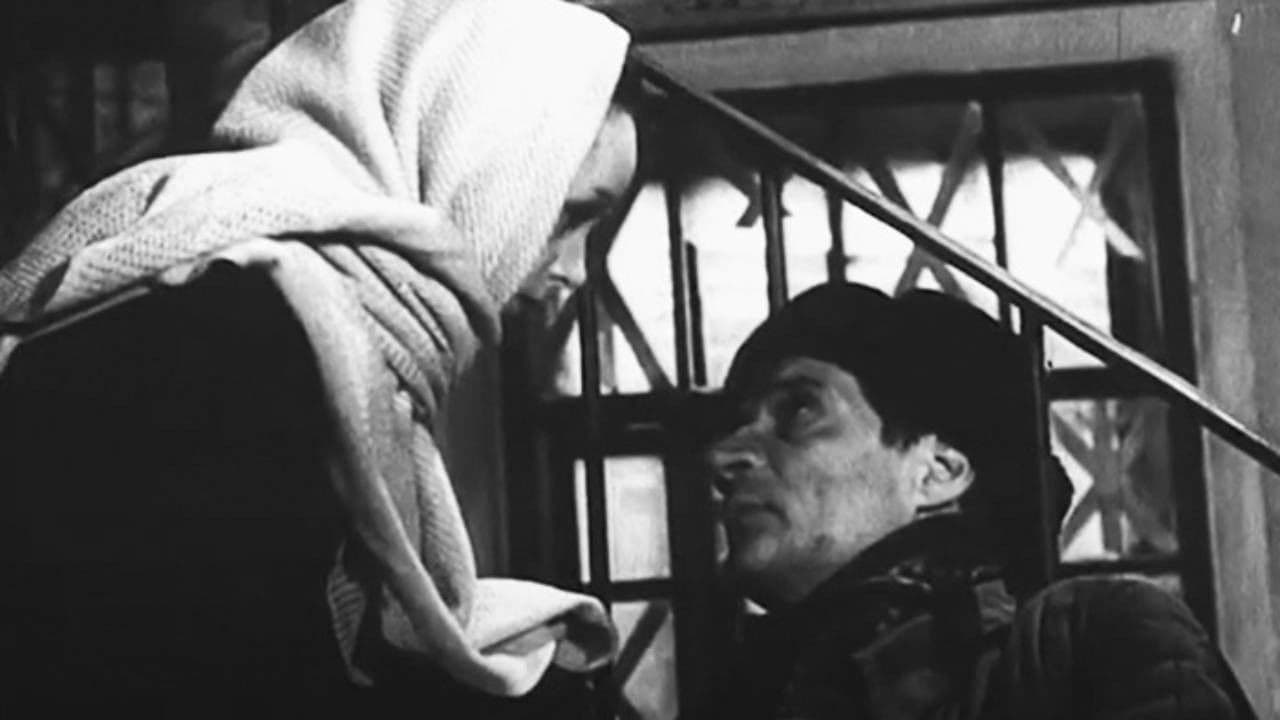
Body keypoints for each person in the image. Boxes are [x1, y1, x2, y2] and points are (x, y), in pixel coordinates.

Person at [0, 0, 636, 713]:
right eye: (570, 213)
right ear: (479, 151)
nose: (574, 270)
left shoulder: (310, 309)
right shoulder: (247, 324)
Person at [701, 281, 1255, 719]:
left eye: (800, 410)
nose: (723, 458)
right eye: (737, 426)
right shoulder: (745, 695)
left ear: (939, 471)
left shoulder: (1094, 643)